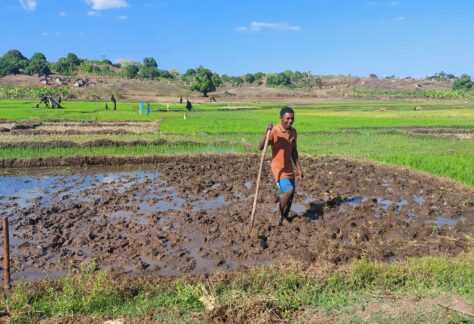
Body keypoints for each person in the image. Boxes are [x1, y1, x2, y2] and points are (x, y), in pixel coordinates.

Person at [258, 106, 304, 225]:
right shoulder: (275, 131)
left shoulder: (293, 132)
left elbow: (294, 151)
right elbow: (261, 147)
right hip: (278, 168)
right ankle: (278, 214)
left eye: (292, 119)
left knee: (291, 194)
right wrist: (266, 132)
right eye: (288, 118)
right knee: (289, 191)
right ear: (281, 118)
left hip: (288, 167)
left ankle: (285, 216)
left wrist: (299, 168)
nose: (290, 121)